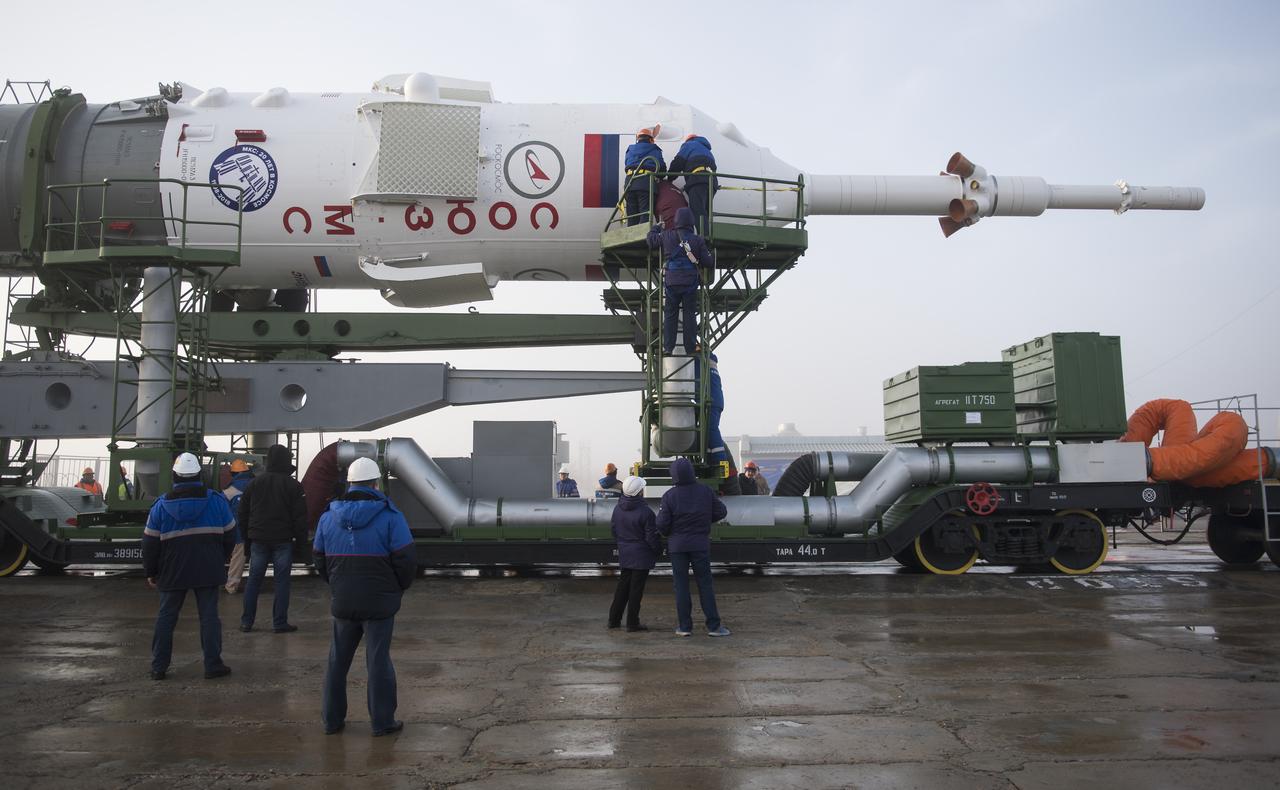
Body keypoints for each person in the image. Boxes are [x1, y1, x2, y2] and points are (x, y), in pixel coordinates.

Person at [313, 456, 416, 737]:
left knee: (337, 661)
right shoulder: (390, 517)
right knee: (378, 660)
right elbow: (406, 560)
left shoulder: (327, 517)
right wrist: (397, 588)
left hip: (343, 601)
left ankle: (331, 721)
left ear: (349, 483)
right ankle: (382, 722)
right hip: (380, 602)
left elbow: (319, 559)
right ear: (375, 483)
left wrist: (337, 585)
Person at [142, 452, 236, 680]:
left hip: (172, 571)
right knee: (209, 617)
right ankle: (212, 665)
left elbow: (150, 544)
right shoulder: (216, 502)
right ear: (200, 475)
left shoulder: (161, 507)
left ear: (174, 475)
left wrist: (152, 572)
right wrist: (220, 558)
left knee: (167, 616)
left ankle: (158, 667)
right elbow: (231, 535)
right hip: (208, 568)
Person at [656, 457, 730, 637]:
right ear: (691, 472)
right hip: (700, 545)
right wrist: (705, 520)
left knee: (681, 586)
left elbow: (662, 525)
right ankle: (714, 627)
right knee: (705, 585)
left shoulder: (669, 496)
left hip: (678, 547)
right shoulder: (705, 491)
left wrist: (672, 532)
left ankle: (684, 627)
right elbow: (721, 511)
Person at [238, 444, 307, 633]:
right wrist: (301, 546)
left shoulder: (254, 484)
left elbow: (242, 514)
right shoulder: (293, 485)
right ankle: (279, 623)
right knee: (282, 582)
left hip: (258, 539)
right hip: (282, 540)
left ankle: (247, 622)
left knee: (254, 580)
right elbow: (300, 518)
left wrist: (246, 540)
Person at [648, 206, 714, 356]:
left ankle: (668, 348)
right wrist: (713, 255)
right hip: (690, 284)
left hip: (671, 283)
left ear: (676, 222)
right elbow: (708, 262)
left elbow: (651, 241)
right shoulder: (697, 240)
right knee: (690, 314)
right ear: (691, 222)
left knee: (670, 315)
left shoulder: (667, 236)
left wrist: (655, 228)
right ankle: (690, 348)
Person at [608, 476, 661, 632]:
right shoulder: (646, 512)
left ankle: (613, 620)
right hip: (641, 555)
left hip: (625, 552)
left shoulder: (617, 508)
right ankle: (632, 623)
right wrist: (658, 550)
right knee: (636, 590)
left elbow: (614, 530)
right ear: (639, 492)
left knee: (622, 587)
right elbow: (651, 537)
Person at [669, 133, 717, 235]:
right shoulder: (707, 150)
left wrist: (669, 178)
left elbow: (678, 162)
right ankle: (707, 236)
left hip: (698, 179)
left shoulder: (690, 145)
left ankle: (704, 237)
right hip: (712, 182)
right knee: (705, 211)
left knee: (697, 210)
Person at [223, 459, 254, 594]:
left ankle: (231, 586)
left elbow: (222, 512)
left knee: (237, 559)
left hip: (237, 531)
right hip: (256, 529)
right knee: (257, 559)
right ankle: (254, 586)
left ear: (233, 473)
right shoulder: (256, 486)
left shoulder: (228, 491)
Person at [623, 125, 666, 226]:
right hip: (646, 183)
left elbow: (627, 164)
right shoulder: (654, 149)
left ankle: (632, 240)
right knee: (645, 214)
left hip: (630, 183)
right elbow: (662, 168)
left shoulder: (630, 149)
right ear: (651, 139)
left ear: (638, 139)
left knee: (632, 216)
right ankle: (643, 240)